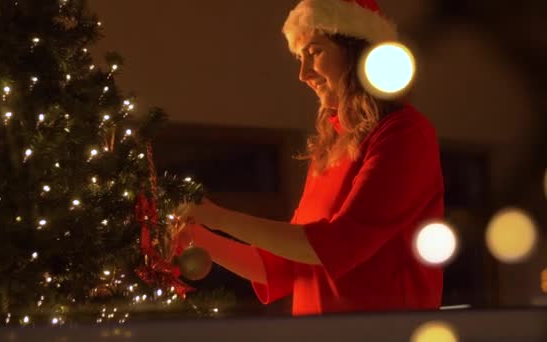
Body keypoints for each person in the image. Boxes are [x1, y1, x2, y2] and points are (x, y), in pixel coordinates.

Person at [176, 0, 444, 316]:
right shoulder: (331, 149)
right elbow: (283, 266)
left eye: (315, 51)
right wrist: (195, 234)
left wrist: (219, 217)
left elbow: (338, 244)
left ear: (356, 50)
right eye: (299, 57)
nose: (303, 74)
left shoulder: (404, 135)